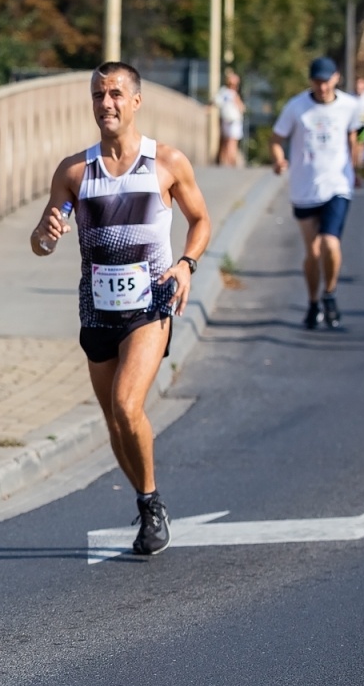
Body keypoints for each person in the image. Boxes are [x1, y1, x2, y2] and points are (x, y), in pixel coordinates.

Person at [29, 63, 210, 557]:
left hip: (149, 304)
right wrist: (45, 237)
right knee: (114, 419)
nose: (105, 104)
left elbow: (201, 221)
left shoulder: (167, 163)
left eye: (114, 94)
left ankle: (150, 504)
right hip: (96, 309)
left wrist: (188, 264)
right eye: (97, 95)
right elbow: (42, 240)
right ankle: (145, 495)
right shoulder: (73, 172)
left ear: (135, 102)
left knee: (129, 404)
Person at [271, 58, 363, 330]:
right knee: (312, 252)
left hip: (337, 185)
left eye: (327, 80)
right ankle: (313, 302)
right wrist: (278, 160)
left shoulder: (349, 106)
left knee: (329, 244)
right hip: (304, 187)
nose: (322, 87)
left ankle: (330, 293)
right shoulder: (297, 107)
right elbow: (277, 138)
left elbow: (352, 137)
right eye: (317, 81)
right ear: (311, 81)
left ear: (336, 78)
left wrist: (354, 166)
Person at [215, 70, 245, 168]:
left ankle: (229, 161)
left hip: (231, 119)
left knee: (230, 141)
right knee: (230, 141)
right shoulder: (227, 92)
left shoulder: (229, 93)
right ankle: (230, 161)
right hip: (230, 119)